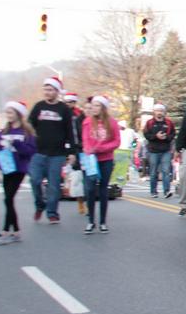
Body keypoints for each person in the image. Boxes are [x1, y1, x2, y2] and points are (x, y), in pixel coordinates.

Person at [0, 101, 37, 244]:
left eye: (10, 112)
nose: (8, 115)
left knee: (8, 199)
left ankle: (6, 231)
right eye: (6, 112)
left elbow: (30, 151)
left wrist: (15, 143)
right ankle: (14, 231)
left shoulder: (25, 132)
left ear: (18, 114)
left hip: (19, 169)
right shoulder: (4, 132)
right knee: (8, 199)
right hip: (7, 168)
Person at [27, 76, 75, 223]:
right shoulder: (38, 107)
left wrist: (72, 152)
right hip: (38, 152)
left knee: (54, 186)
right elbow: (29, 127)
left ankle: (52, 212)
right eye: (45, 89)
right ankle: (40, 205)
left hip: (57, 154)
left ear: (57, 91)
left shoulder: (64, 110)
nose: (47, 92)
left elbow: (70, 132)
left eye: (50, 90)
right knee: (35, 180)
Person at [81, 96, 120, 234]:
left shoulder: (112, 123)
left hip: (106, 159)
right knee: (90, 189)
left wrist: (101, 148)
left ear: (103, 107)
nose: (94, 108)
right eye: (92, 105)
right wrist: (88, 149)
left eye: (97, 105)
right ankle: (91, 221)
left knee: (103, 190)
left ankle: (103, 221)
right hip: (91, 160)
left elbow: (116, 141)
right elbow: (85, 139)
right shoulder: (87, 122)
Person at [143, 103, 176, 198]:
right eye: (157, 111)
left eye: (161, 111)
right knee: (153, 172)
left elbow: (173, 134)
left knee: (166, 171)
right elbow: (146, 135)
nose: (159, 113)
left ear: (164, 112)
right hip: (153, 151)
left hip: (165, 150)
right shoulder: (149, 123)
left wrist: (166, 137)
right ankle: (153, 191)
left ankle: (167, 191)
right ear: (154, 112)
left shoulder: (169, 123)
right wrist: (155, 136)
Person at [65, 92, 87, 215]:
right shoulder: (62, 114)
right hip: (69, 148)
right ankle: (80, 202)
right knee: (75, 176)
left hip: (82, 148)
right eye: (66, 102)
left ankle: (85, 201)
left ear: (74, 103)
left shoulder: (80, 115)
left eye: (70, 102)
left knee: (84, 176)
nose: (67, 104)